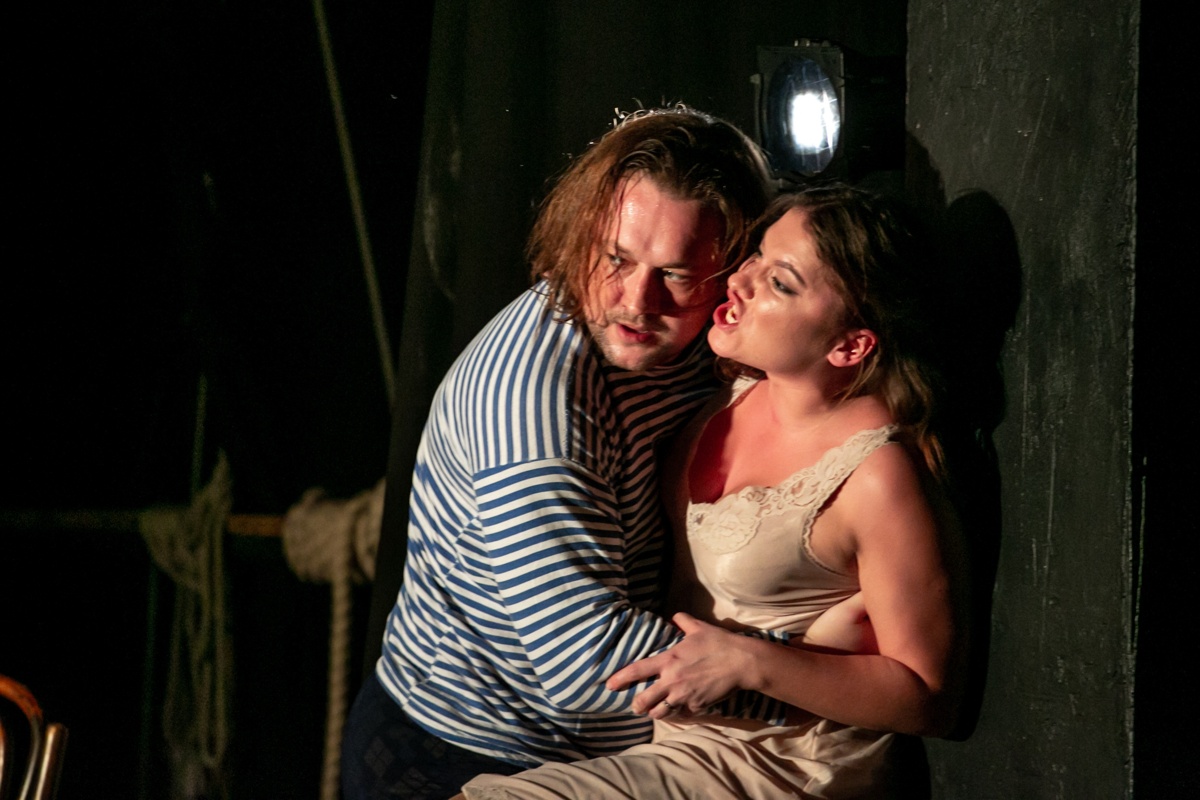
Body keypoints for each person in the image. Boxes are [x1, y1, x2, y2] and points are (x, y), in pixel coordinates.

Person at [458, 185, 970, 799]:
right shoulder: (727, 396)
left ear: (849, 345)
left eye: (779, 282)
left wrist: (753, 663)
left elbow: (929, 698)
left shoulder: (877, 475)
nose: (740, 279)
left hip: (784, 764)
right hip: (676, 740)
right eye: (756, 254)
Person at [340, 107, 776, 799]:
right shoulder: (535, 404)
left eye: (676, 273)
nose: (636, 301)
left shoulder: (706, 341)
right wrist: (817, 686)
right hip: (456, 755)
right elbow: (585, 663)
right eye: (615, 258)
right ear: (581, 231)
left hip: (596, 747)